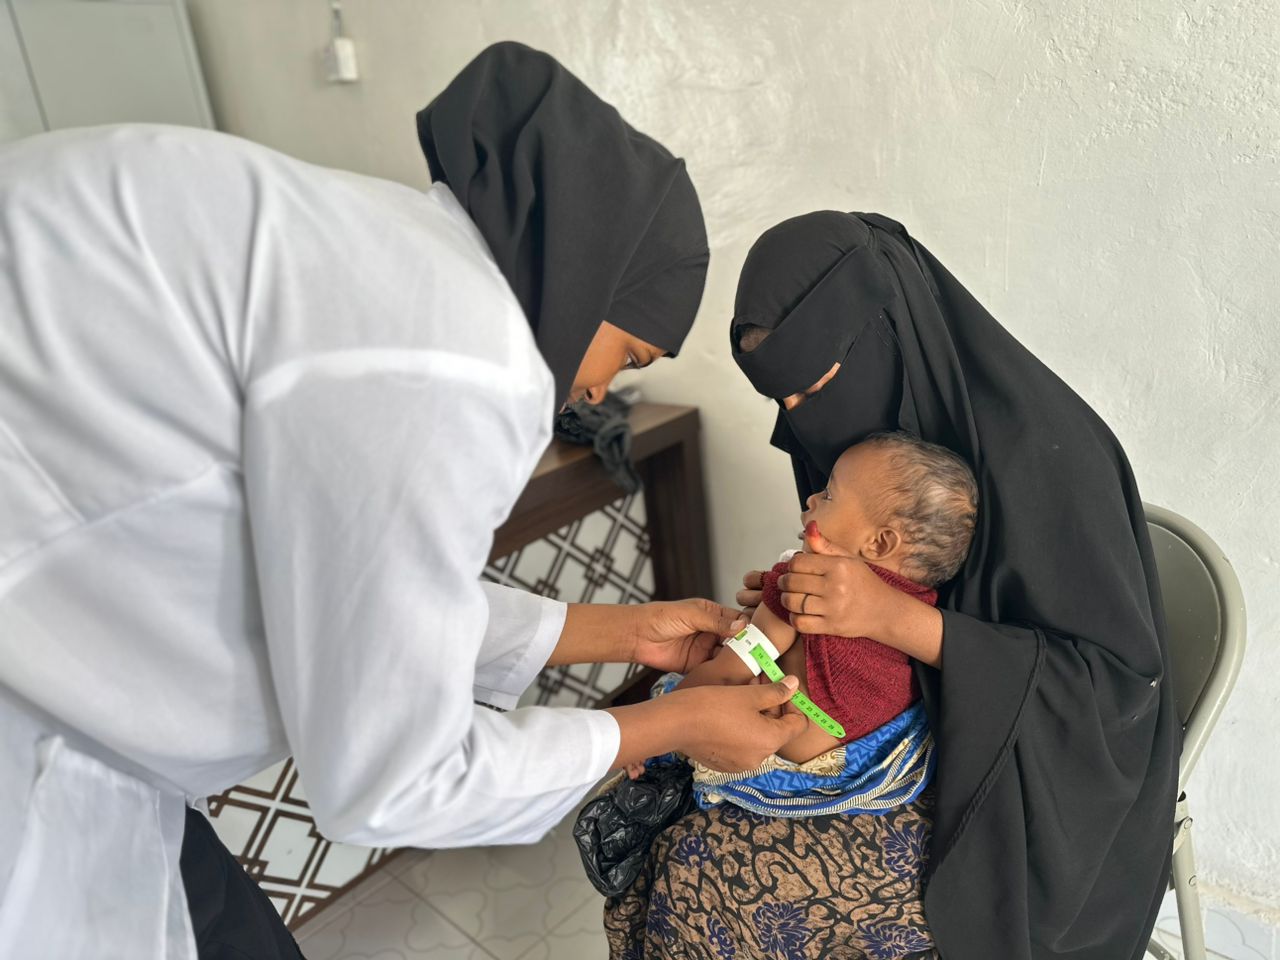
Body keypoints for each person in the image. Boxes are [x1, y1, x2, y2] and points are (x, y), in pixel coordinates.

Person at [0, 43, 808, 960]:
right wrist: (663, 726)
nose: (594, 394)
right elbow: (393, 774)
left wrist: (625, 634)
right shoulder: (458, 359)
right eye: (627, 357)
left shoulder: (386, 255)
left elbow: (356, 599)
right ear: (590, 276)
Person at [606, 211, 1177, 960]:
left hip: (1028, 807)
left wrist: (888, 619)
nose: (801, 424)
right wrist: (810, 609)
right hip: (895, 737)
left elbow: (1112, 696)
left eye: (814, 389)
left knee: (710, 873)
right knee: (660, 805)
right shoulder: (869, 439)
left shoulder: (1050, 462)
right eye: (784, 401)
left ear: (883, 332)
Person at [621, 432, 976, 822]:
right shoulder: (923, 608)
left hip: (786, 761)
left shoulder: (801, 582)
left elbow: (726, 674)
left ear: (879, 543)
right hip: (872, 763)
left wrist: (650, 733)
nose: (811, 499)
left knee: (673, 690)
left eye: (828, 493)